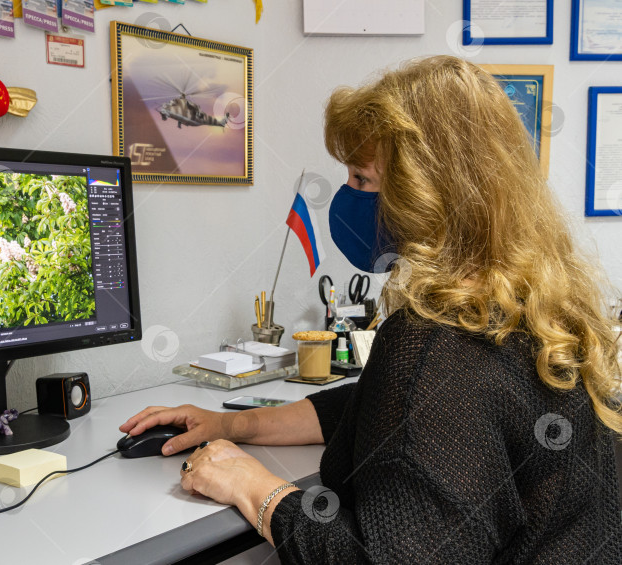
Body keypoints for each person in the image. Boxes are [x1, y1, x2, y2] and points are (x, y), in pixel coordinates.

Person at [119, 56, 622, 563]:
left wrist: (254, 487)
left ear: (425, 194)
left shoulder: (434, 349)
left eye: (361, 179)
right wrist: (233, 426)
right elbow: (381, 411)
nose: (347, 196)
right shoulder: (539, 307)